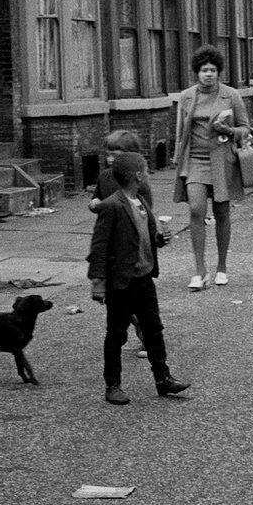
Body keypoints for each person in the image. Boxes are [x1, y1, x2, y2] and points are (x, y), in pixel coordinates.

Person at [87, 153, 191, 405]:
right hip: (120, 284)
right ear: (137, 176)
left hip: (144, 279)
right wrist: (98, 283)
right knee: (116, 335)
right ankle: (112, 385)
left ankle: (163, 379)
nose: (147, 174)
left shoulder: (140, 201)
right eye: (145, 170)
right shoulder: (112, 205)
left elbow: (144, 235)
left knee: (153, 330)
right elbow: (98, 247)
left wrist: (158, 240)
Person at [171, 44, 251, 291]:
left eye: (213, 70)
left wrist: (229, 130)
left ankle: (222, 268)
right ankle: (199, 270)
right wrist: (177, 158)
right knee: (196, 209)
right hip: (194, 160)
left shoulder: (231, 95)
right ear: (197, 72)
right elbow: (179, 132)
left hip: (221, 160)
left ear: (219, 72)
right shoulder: (186, 96)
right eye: (204, 70)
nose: (208, 74)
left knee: (222, 213)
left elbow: (246, 129)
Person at [90, 130, 154, 360]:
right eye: (108, 154)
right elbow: (97, 199)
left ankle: (143, 332)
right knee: (115, 294)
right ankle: (126, 327)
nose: (109, 158)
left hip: (130, 243)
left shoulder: (140, 181)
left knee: (131, 293)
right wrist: (94, 204)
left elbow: (143, 210)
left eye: (115, 154)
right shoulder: (105, 177)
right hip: (110, 241)